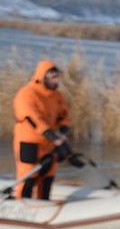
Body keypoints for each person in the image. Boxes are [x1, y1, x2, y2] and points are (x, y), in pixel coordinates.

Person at [12, 60, 84, 199]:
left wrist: (62, 133)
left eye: (57, 77)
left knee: (47, 177)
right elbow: (32, 118)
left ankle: (43, 204)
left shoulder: (57, 96)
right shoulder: (27, 94)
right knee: (29, 176)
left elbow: (64, 115)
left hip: (49, 143)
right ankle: (21, 204)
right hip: (29, 142)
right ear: (43, 77)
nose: (56, 80)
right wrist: (53, 137)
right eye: (53, 77)